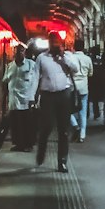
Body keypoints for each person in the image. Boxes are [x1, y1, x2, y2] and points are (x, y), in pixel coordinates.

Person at [34, 34, 80, 172]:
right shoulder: (42, 58)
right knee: (46, 127)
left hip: (64, 95)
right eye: (52, 42)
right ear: (49, 43)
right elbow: (35, 76)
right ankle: (41, 152)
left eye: (57, 42)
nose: (54, 44)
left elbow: (76, 68)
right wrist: (32, 97)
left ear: (61, 43)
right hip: (47, 96)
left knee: (63, 130)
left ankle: (62, 161)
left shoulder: (68, 56)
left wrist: (63, 57)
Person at [2, 43, 39, 151]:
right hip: (14, 100)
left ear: (24, 53)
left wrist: (35, 97)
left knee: (27, 123)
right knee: (16, 123)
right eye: (17, 52)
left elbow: (36, 81)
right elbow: (5, 81)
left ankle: (29, 144)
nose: (19, 54)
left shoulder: (31, 65)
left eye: (21, 51)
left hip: (27, 99)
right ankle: (18, 144)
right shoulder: (10, 66)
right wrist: (5, 98)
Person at [68, 42, 94, 142]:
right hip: (83, 87)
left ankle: (75, 126)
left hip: (72, 87)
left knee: (68, 110)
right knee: (82, 112)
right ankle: (82, 135)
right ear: (83, 48)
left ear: (74, 47)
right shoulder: (88, 59)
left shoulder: (71, 58)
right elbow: (91, 73)